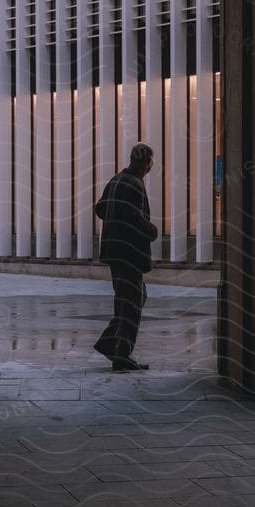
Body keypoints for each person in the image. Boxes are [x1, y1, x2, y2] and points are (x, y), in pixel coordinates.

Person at [93, 142, 157, 371]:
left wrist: (114, 219)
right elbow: (134, 218)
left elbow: (100, 208)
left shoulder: (117, 179)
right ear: (147, 163)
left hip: (114, 251)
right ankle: (122, 354)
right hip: (128, 253)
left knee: (131, 299)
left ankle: (109, 343)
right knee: (131, 303)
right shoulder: (134, 183)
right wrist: (152, 230)